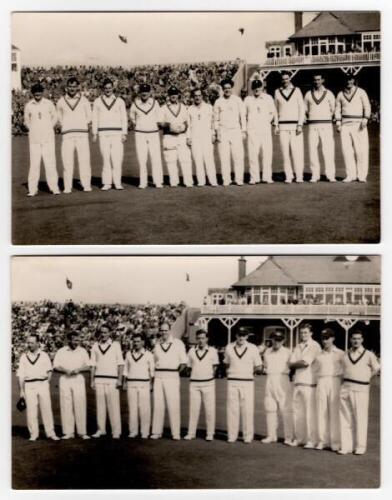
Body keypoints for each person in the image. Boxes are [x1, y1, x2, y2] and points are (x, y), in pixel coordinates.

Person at [339, 330, 380, 455]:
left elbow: (377, 368)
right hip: (346, 387)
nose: (356, 341)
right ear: (350, 339)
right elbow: (342, 370)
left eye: (358, 338)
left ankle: (360, 446)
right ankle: (346, 446)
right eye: (354, 338)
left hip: (361, 388)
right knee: (345, 418)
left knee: (360, 418)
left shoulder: (368, 354)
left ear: (362, 340)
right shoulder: (345, 354)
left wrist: (366, 378)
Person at [17, 333, 60, 441]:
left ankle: (50, 433)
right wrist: (21, 391)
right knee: (31, 411)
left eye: (31, 342)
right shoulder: (24, 357)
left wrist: (46, 383)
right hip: (29, 385)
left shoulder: (44, 355)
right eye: (28, 342)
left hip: (42, 384)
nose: (29, 344)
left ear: (37, 343)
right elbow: (21, 375)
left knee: (46, 409)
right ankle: (33, 434)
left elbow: (49, 371)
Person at [224, 327, 262, 443]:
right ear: (236, 335)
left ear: (247, 336)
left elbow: (258, 366)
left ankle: (247, 436)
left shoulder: (253, 348)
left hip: (247, 382)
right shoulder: (229, 347)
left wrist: (248, 372)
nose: (241, 337)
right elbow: (226, 364)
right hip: (233, 381)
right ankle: (232, 435)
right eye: (239, 335)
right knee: (232, 409)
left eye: (244, 335)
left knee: (247, 409)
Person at [151, 323, 188, 440]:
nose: (163, 333)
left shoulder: (178, 343)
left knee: (173, 404)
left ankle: (175, 432)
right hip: (158, 376)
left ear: (170, 331)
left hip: (172, 376)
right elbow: (154, 362)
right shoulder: (157, 345)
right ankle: (157, 431)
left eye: (166, 330)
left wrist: (174, 373)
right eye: (161, 331)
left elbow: (183, 363)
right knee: (158, 404)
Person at [56, 76, 92, 193]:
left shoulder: (84, 100)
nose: (72, 89)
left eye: (74, 86)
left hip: (82, 134)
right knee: (67, 161)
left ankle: (86, 185)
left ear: (78, 87)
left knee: (84, 160)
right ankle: (67, 186)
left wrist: (82, 124)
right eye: (70, 86)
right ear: (67, 88)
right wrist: (66, 126)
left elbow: (89, 116)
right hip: (67, 135)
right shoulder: (61, 101)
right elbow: (59, 118)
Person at [53, 331, 91, 440]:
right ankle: (68, 432)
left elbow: (88, 366)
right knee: (66, 405)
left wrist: (78, 369)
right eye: (74, 340)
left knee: (80, 404)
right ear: (69, 340)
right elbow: (55, 366)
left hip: (78, 378)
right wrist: (65, 370)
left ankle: (82, 432)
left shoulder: (82, 351)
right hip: (65, 379)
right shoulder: (61, 351)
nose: (77, 342)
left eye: (78, 340)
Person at [24, 82, 60, 196]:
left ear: (42, 92)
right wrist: (33, 129)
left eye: (39, 91)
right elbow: (26, 121)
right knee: (34, 164)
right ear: (33, 93)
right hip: (34, 140)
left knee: (50, 163)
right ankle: (32, 189)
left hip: (48, 138)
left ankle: (54, 187)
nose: (37, 94)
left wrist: (49, 127)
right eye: (35, 92)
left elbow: (55, 117)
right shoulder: (29, 105)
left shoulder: (48, 104)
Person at [289, 323, 321, 448]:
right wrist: (293, 363)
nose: (303, 335)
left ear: (311, 333)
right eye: (302, 332)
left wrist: (293, 364)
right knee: (297, 413)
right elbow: (291, 361)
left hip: (310, 384)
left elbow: (304, 363)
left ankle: (311, 440)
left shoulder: (315, 345)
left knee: (310, 414)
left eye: (306, 332)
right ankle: (299, 439)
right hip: (298, 383)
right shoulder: (298, 346)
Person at [92, 78, 128, 190]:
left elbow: (124, 118)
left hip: (117, 133)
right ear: (103, 89)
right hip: (103, 133)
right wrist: (94, 133)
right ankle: (107, 183)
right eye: (106, 88)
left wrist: (124, 133)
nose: (108, 90)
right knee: (106, 158)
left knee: (117, 158)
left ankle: (117, 182)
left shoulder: (120, 101)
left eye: (110, 88)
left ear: (113, 88)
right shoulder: (97, 101)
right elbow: (95, 118)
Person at [184, 329, 219, 441]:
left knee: (209, 409)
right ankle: (191, 432)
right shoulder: (191, 351)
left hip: (208, 384)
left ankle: (210, 433)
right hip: (194, 384)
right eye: (198, 338)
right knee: (193, 409)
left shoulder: (213, 351)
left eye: (203, 338)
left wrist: (207, 375)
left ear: (207, 339)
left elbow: (215, 366)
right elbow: (189, 367)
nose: (200, 340)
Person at [335, 75, 371, 182]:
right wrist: (338, 122)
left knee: (361, 151)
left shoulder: (361, 92)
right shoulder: (340, 94)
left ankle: (362, 175)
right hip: (345, 125)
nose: (348, 82)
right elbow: (337, 109)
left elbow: (367, 106)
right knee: (347, 151)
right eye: (346, 80)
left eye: (350, 79)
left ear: (353, 80)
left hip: (359, 124)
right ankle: (350, 175)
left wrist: (365, 119)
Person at [90, 324, 124, 438]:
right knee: (100, 406)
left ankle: (116, 431)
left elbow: (120, 363)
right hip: (99, 379)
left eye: (105, 332)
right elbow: (93, 365)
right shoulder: (95, 346)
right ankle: (101, 430)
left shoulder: (115, 345)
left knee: (113, 406)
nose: (103, 334)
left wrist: (120, 379)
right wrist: (92, 380)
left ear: (110, 333)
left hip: (112, 380)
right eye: (102, 332)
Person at [313, 328, 344, 451]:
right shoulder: (319, 355)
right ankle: (322, 441)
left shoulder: (340, 353)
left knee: (334, 412)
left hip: (335, 381)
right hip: (321, 381)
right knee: (321, 411)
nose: (325, 340)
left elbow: (345, 370)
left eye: (327, 338)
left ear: (333, 338)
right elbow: (314, 370)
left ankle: (335, 442)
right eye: (323, 338)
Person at [261, 332, 294, 445]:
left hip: (283, 380)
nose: (276, 342)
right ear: (271, 340)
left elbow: (292, 367)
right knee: (270, 408)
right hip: (270, 380)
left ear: (283, 340)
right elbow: (265, 367)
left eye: (279, 339)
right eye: (274, 339)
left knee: (286, 410)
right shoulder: (267, 352)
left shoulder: (287, 352)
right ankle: (271, 435)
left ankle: (288, 437)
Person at [129, 83, 164, 189]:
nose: (144, 93)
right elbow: (132, 117)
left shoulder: (155, 103)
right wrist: (139, 125)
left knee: (155, 158)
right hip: (140, 133)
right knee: (142, 158)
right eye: (142, 91)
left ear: (150, 92)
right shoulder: (135, 104)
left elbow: (159, 118)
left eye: (146, 91)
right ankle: (143, 182)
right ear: (139, 92)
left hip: (153, 133)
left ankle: (157, 181)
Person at [304, 74, 336, 182]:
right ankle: (315, 175)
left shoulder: (329, 94)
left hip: (326, 125)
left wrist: (325, 117)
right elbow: (306, 109)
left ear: (322, 80)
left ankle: (330, 175)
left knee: (328, 150)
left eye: (318, 80)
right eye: (315, 80)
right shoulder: (308, 94)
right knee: (312, 150)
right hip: (313, 125)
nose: (316, 82)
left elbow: (333, 109)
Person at [244, 79, 278, 184]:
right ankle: (254, 178)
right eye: (254, 87)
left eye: (259, 87)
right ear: (252, 89)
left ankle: (267, 177)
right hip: (252, 130)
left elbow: (273, 113)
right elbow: (243, 115)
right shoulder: (247, 100)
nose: (257, 89)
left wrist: (274, 124)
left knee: (267, 153)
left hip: (265, 130)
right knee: (253, 154)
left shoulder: (268, 98)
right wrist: (245, 129)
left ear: (262, 87)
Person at [213, 78, 246, 186]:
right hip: (223, 131)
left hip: (235, 130)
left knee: (238, 156)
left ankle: (239, 179)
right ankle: (226, 179)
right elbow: (215, 119)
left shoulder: (237, 100)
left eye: (229, 88)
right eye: (225, 88)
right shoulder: (218, 101)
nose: (227, 90)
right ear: (222, 89)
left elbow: (243, 117)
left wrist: (243, 131)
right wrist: (217, 132)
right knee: (224, 157)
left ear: (232, 88)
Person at [159, 86, 193, 187]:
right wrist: (169, 126)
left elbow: (188, 122)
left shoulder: (183, 107)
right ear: (168, 96)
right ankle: (174, 181)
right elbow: (160, 123)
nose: (173, 96)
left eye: (175, 94)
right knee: (171, 160)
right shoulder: (163, 108)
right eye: (171, 94)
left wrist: (185, 129)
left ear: (178, 95)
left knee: (185, 159)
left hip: (182, 136)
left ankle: (188, 181)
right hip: (169, 136)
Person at [274, 72, 305, 183]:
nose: (285, 81)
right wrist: (276, 125)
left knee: (297, 152)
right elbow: (275, 111)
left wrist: (300, 124)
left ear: (290, 79)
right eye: (283, 79)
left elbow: (302, 108)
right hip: (282, 126)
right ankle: (289, 176)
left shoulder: (297, 90)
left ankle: (299, 175)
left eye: (287, 79)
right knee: (285, 153)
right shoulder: (277, 92)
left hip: (295, 126)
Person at [123, 333, 155, 438]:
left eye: (138, 341)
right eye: (134, 341)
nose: (136, 343)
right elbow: (125, 370)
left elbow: (152, 371)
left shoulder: (149, 354)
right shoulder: (128, 354)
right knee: (132, 408)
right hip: (131, 383)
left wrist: (151, 384)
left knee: (144, 408)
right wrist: (124, 382)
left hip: (144, 384)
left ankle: (145, 432)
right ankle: (133, 431)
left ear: (143, 342)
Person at [186, 89, 218, 187]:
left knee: (209, 159)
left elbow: (213, 123)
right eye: (195, 95)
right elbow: (188, 124)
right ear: (193, 97)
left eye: (199, 95)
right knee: (198, 159)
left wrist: (213, 134)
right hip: (195, 137)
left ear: (202, 96)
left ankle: (213, 180)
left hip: (207, 136)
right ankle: (201, 181)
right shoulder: (190, 109)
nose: (197, 97)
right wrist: (188, 137)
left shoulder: (209, 107)